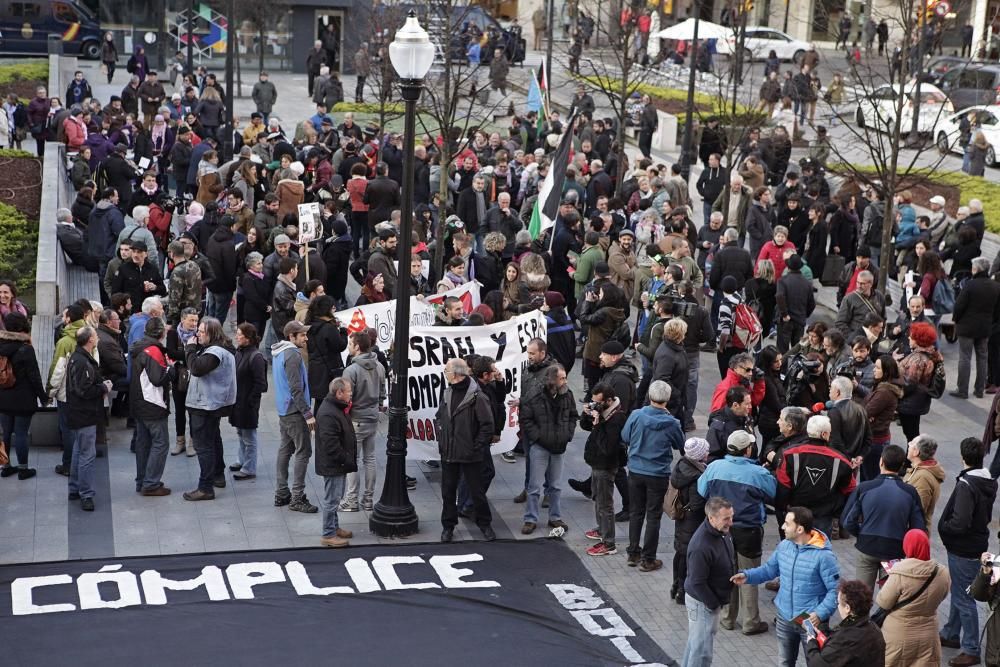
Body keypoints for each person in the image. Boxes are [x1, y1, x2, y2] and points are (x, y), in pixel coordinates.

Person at [732, 506, 841, 666]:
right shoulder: (784, 546)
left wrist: (819, 614)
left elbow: (835, 590)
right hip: (784, 617)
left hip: (810, 621)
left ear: (799, 529)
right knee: (785, 662)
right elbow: (770, 569)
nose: (782, 527)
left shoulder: (824, 557)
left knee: (815, 663)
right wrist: (748, 576)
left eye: (786, 523)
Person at [699, 430, 776, 636]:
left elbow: (702, 491)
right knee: (749, 574)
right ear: (748, 449)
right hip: (749, 530)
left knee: (727, 572)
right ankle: (751, 621)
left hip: (722, 531)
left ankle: (727, 618)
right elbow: (772, 494)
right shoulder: (758, 473)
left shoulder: (714, 467)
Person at [938, 437, 997, 666]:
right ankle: (951, 632)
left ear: (962, 457)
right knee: (961, 589)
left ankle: (971, 648)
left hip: (963, 547)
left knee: (965, 597)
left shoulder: (967, 484)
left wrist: (946, 528)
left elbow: (960, 521)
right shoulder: (987, 480)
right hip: (976, 543)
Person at [841, 445, 926, 591]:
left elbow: (847, 521)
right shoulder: (910, 492)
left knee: (861, 597)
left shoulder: (864, 488)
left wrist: (861, 532)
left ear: (881, 461)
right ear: (901, 466)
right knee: (889, 599)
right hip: (894, 551)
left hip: (867, 547)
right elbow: (918, 528)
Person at [624, 380, 684, 570]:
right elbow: (679, 444)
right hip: (658, 473)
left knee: (636, 512)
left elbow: (625, 436)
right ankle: (648, 559)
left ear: (650, 397)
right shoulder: (672, 423)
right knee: (653, 516)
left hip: (635, 470)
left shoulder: (636, 415)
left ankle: (633, 553)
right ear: (667, 399)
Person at [438, 358, 495, 543]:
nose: (444, 373)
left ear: (455, 374)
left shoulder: (477, 397)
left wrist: (475, 447)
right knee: (448, 492)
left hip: (470, 454)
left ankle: (485, 524)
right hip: (449, 452)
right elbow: (441, 417)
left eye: (446, 370)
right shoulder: (447, 393)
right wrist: (443, 440)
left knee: (476, 491)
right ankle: (448, 526)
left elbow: (487, 426)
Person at [874, 529, 950, 667]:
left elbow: (883, 602)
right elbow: (943, 595)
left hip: (899, 634)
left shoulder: (899, 573)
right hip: (929, 634)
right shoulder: (942, 572)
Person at [182, 317, 236, 501]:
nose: (197, 334)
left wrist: (189, 349)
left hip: (204, 404)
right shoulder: (220, 349)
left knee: (203, 445)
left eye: (202, 331)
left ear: (212, 333)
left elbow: (196, 368)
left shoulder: (215, 352)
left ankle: (205, 487)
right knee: (213, 439)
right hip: (213, 403)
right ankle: (217, 475)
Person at [682, 496, 737, 666]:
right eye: (726, 518)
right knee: (702, 653)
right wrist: (713, 604)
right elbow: (697, 582)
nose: (731, 522)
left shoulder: (721, 532)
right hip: (703, 603)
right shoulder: (701, 546)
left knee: (696, 645)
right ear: (711, 518)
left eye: (732, 516)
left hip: (707, 601)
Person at [271, 320, 317, 513]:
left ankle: (281, 493)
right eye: (302, 335)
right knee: (303, 452)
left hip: (284, 409)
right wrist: (307, 414)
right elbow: (296, 389)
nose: (306, 338)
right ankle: (297, 497)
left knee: (285, 449)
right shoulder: (292, 355)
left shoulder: (279, 352)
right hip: (295, 411)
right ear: (291, 336)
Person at [340, 331, 385, 513]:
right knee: (370, 459)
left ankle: (351, 500)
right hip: (372, 417)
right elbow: (383, 392)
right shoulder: (379, 366)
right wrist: (378, 405)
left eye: (350, 344)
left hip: (356, 419)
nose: (348, 347)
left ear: (357, 347)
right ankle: (368, 499)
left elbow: (345, 398)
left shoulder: (351, 370)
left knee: (352, 460)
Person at [581, 383, 627, 557]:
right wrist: (587, 416)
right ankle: (601, 529)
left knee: (605, 504)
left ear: (609, 400)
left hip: (606, 466)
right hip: (596, 462)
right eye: (594, 402)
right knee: (597, 498)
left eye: (598, 403)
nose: (596, 406)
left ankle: (609, 543)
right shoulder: (603, 412)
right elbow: (586, 427)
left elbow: (607, 447)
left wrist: (598, 422)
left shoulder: (617, 419)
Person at [129, 318, 174, 496]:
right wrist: (171, 369)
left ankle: (142, 480)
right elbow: (158, 379)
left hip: (139, 404)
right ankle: (151, 483)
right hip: (153, 405)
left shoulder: (139, 347)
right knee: (160, 444)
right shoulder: (153, 351)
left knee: (143, 444)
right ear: (161, 333)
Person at [66, 326, 109, 512]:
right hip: (85, 414)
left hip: (78, 413)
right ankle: (86, 493)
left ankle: (75, 488)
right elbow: (84, 390)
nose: (98, 338)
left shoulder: (78, 358)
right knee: (87, 455)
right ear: (90, 340)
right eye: (95, 336)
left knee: (78, 450)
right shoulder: (82, 361)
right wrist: (103, 388)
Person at [0, 313, 48, 480]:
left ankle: (5, 466)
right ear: (22, 327)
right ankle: (23, 469)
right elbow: (34, 376)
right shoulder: (26, 349)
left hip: (3, 396)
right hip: (23, 398)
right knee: (21, 433)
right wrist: (43, 397)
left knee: (5, 433)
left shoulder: (1, 345)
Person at [315, 376, 357, 548]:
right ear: (339, 393)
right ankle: (328, 534)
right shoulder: (328, 413)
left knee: (335, 497)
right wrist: (345, 459)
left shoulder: (335, 407)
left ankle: (334, 527)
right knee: (332, 499)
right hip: (333, 464)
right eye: (348, 391)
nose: (351, 394)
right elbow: (331, 445)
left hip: (336, 462)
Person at [804, 579, 886, 666]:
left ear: (847, 608)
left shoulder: (845, 639)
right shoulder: (875, 629)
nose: (838, 606)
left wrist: (811, 642)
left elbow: (816, 664)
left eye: (838, 602)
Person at [952, 256, 1000, 399]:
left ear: (976, 269)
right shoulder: (996, 286)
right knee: (982, 357)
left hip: (967, 327)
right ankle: (979, 389)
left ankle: (962, 389)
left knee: (965, 357)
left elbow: (959, 306)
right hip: (985, 327)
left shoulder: (970, 285)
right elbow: (997, 310)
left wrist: (956, 319)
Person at [228, 323, 267, 481]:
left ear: (248, 338)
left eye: (239, 334)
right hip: (238, 402)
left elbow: (261, 384)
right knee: (240, 432)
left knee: (249, 436)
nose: (236, 336)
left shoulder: (255, 357)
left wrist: (251, 400)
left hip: (247, 404)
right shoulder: (240, 352)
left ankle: (249, 467)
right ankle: (242, 460)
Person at [897, 322, 945, 441]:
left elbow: (909, 383)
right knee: (912, 432)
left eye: (911, 336)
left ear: (918, 340)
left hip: (909, 403)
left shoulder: (917, 359)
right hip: (917, 401)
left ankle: (911, 458)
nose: (908, 337)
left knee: (911, 434)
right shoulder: (930, 354)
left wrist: (896, 392)